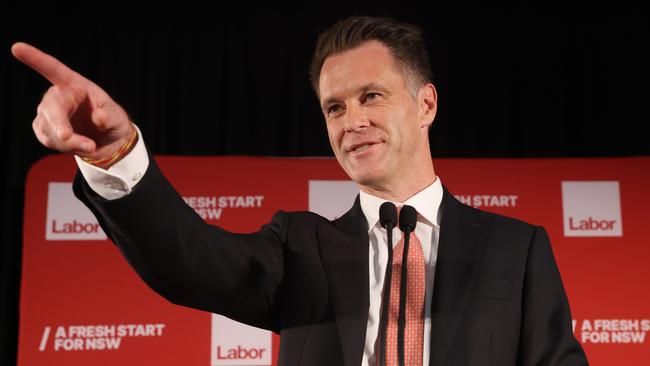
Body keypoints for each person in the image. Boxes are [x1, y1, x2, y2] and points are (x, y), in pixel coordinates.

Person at [13, 16, 588, 365]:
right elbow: (188, 260)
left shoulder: (518, 249)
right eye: (334, 107)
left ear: (426, 104)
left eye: (371, 96)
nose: (351, 121)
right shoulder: (299, 245)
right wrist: (117, 153)